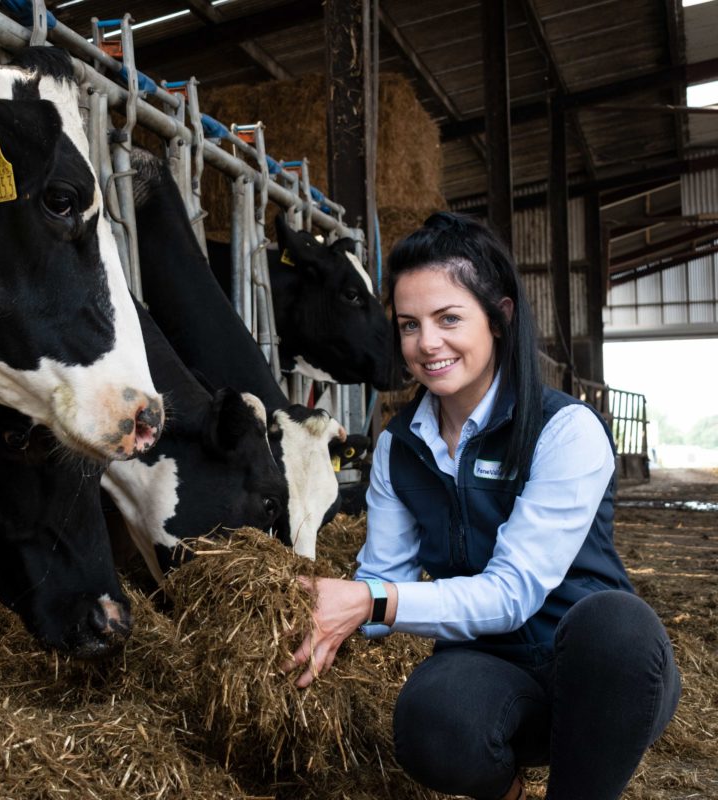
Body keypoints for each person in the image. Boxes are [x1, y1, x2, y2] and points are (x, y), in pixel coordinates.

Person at [284, 212, 680, 800]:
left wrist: (370, 600)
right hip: (489, 672)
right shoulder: (400, 444)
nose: (426, 344)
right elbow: (381, 577)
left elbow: (511, 592)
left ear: (500, 316)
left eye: (449, 319)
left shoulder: (566, 430)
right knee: (431, 720)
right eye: (409, 324)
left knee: (617, 625)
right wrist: (305, 614)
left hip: (602, 683)